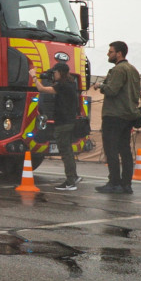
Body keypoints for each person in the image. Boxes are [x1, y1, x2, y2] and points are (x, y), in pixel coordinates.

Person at [94, 41, 141, 194]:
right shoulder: (133, 70)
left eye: (111, 51)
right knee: (125, 150)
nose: (108, 54)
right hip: (128, 115)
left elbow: (112, 90)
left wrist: (100, 86)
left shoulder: (118, 70)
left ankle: (114, 182)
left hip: (114, 115)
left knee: (111, 149)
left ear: (119, 53)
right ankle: (126, 184)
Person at [30, 62, 80, 190]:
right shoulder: (71, 83)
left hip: (63, 123)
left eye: (55, 72)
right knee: (68, 150)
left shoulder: (62, 85)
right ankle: (74, 176)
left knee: (65, 152)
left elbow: (42, 89)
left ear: (60, 73)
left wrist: (34, 77)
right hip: (69, 122)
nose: (54, 74)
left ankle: (70, 182)